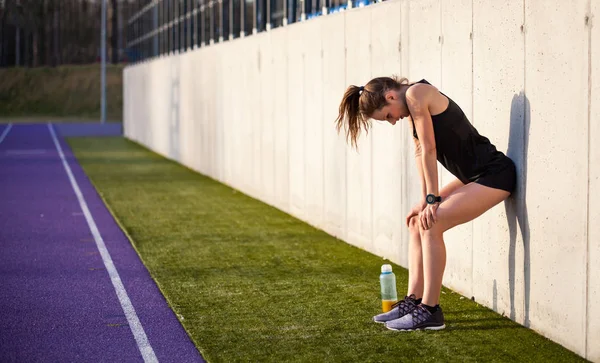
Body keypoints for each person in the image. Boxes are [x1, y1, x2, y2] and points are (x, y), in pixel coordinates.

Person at [335, 76, 516, 331]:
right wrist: (424, 200)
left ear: (390, 97)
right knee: (416, 222)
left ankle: (430, 310)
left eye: (387, 116)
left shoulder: (417, 94)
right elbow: (420, 152)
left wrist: (433, 200)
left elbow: (430, 148)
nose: (392, 121)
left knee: (433, 223)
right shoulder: (409, 106)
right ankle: (415, 300)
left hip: (495, 174)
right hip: (472, 178)